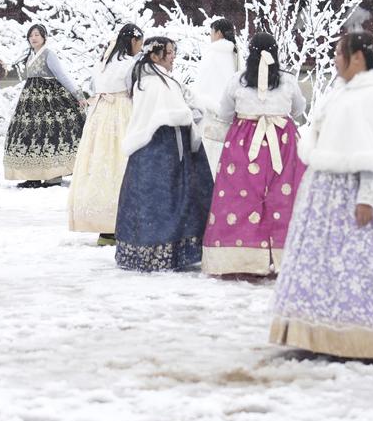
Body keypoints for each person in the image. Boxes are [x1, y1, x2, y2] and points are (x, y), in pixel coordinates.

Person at [271, 32, 373, 360]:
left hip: (359, 193)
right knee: (329, 261)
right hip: (329, 191)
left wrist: (366, 198)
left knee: (365, 262)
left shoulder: (372, 95)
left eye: (339, 53)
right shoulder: (345, 91)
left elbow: (371, 152)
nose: (335, 59)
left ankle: (367, 333)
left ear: (358, 58)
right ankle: (320, 327)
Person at [202, 32, 307, 276]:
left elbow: (225, 112)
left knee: (242, 200)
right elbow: (299, 109)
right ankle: (285, 256)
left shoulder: (237, 80)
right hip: (283, 143)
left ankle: (239, 259)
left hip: (244, 144)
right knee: (283, 199)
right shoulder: (288, 81)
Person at [114, 37, 213, 272]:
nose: (172, 57)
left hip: (154, 149)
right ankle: (165, 250)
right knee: (167, 199)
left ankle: (152, 249)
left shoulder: (154, 79)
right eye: (169, 53)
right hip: (163, 147)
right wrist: (189, 115)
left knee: (155, 199)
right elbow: (173, 111)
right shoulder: (155, 82)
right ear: (155, 55)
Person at [68, 23, 142, 244]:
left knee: (101, 164)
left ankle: (102, 221)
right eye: (140, 42)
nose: (141, 47)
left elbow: (95, 85)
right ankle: (121, 221)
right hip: (121, 112)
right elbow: (135, 90)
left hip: (99, 115)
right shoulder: (131, 64)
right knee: (121, 163)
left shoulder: (102, 63)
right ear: (132, 41)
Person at [3, 23, 86, 187]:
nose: (33, 38)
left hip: (49, 101)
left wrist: (78, 95)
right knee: (31, 135)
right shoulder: (31, 55)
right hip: (30, 102)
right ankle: (33, 175)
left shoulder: (49, 54)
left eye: (37, 35)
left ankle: (53, 175)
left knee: (51, 134)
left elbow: (61, 75)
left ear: (44, 38)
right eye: (31, 35)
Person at [194, 18, 241, 171]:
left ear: (218, 33)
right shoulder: (236, 54)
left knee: (210, 159)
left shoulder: (213, 53)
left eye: (212, 32)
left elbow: (201, 85)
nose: (210, 36)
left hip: (212, 114)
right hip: (231, 116)